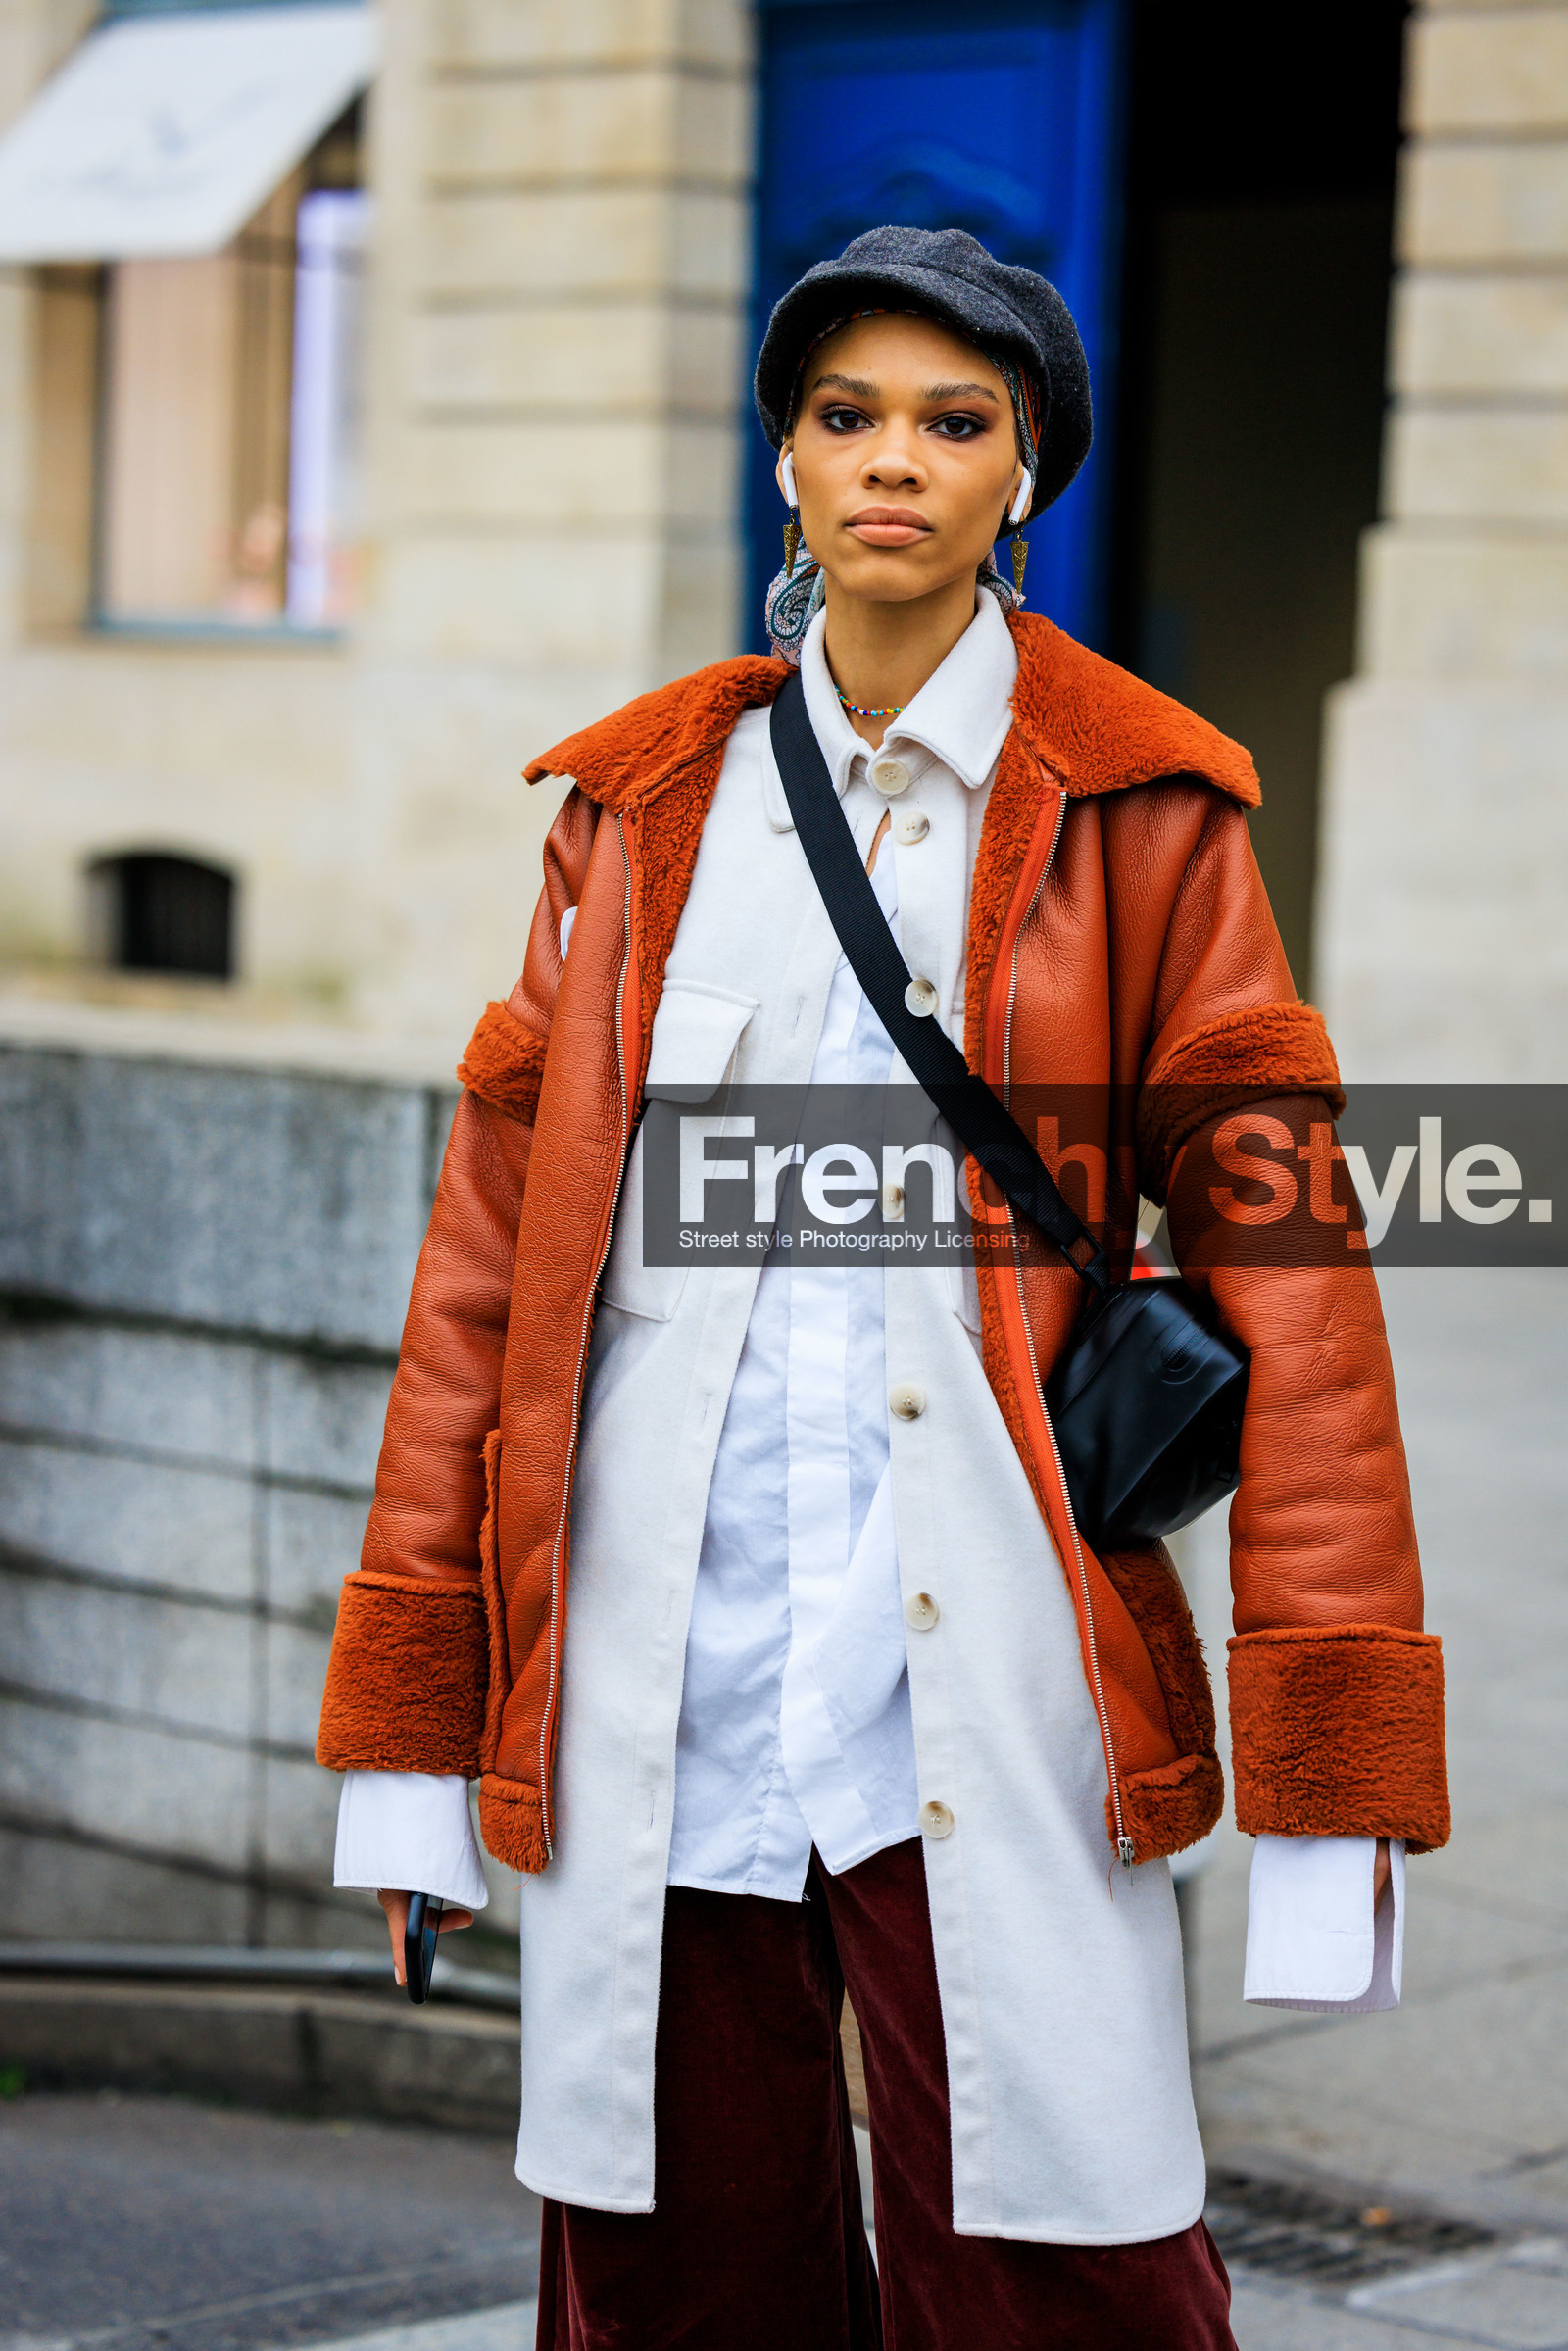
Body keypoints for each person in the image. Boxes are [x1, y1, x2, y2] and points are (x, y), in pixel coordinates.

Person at [317, 227, 1448, 2350]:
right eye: (844, 418)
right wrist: (417, 1726)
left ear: (1024, 473)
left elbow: (1294, 1286)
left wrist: (1326, 1784)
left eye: (953, 421)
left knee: (1063, 2265)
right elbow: (487, 1276)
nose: (892, 465)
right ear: (782, 464)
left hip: (990, 1652)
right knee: (666, 2276)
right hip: (664, 1647)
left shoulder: (1148, 811)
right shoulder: (633, 808)